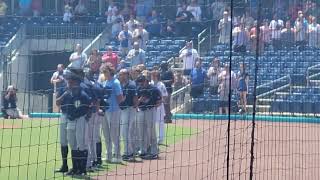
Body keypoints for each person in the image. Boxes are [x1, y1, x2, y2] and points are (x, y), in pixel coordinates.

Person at [56, 68, 91, 176]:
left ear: (76, 81)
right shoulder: (66, 91)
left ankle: (82, 169)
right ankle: (75, 168)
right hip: (68, 117)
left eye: (70, 81)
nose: (68, 82)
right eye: (68, 80)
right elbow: (58, 102)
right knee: (73, 144)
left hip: (80, 119)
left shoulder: (82, 91)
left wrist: (86, 118)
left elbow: (88, 105)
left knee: (81, 144)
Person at [100, 63, 124, 163]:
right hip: (105, 111)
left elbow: (120, 97)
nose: (104, 73)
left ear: (110, 71)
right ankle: (109, 155)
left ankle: (118, 156)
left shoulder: (116, 82)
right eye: (103, 72)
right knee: (106, 134)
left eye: (105, 71)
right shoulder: (105, 82)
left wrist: (115, 106)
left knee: (114, 134)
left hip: (114, 111)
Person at [136, 74, 161, 159]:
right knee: (141, 131)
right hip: (141, 110)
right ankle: (143, 150)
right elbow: (135, 103)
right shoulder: (138, 89)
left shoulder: (154, 89)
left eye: (142, 82)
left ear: (146, 81)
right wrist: (140, 100)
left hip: (150, 110)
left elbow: (159, 101)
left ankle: (154, 151)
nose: (140, 84)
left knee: (151, 131)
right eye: (139, 83)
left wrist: (153, 107)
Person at [118, 69, 138, 161]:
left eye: (122, 74)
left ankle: (128, 153)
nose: (120, 76)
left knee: (126, 131)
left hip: (129, 109)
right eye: (119, 74)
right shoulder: (121, 84)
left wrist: (135, 108)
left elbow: (135, 98)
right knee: (125, 132)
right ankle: (130, 151)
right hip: (123, 110)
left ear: (126, 75)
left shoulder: (131, 84)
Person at [151, 70, 168, 144]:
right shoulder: (150, 84)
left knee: (160, 122)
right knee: (152, 122)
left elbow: (165, 96)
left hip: (160, 106)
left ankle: (160, 139)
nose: (152, 76)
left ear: (157, 76)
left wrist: (159, 102)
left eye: (154, 75)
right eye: (152, 75)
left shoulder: (161, 85)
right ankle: (152, 138)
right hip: (151, 106)